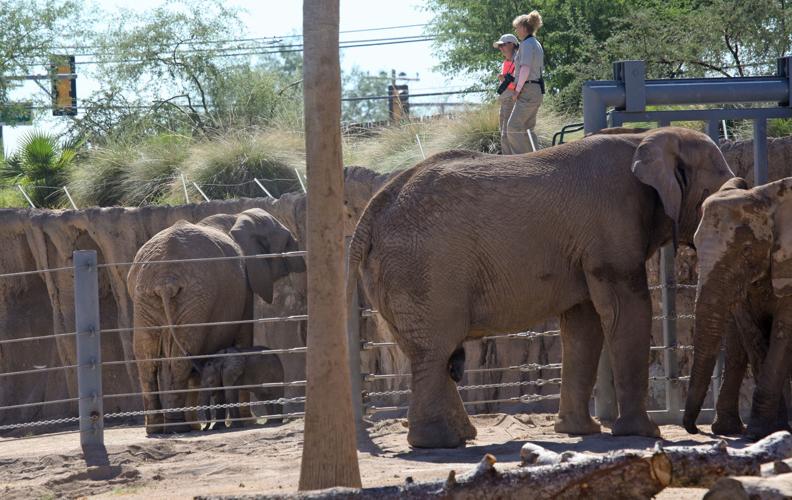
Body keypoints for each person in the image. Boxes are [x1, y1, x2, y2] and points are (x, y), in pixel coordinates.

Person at [505, 11, 545, 154]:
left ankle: (522, 163)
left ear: (523, 27)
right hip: (536, 89)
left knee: (513, 127)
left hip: (528, 89)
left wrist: (517, 90)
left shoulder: (526, 44)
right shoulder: (536, 43)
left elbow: (525, 68)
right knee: (528, 129)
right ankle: (536, 160)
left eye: (517, 27)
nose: (516, 31)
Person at [493, 34, 519, 154]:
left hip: (511, 99)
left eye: (503, 45)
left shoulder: (518, 59)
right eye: (500, 46)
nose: (501, 48)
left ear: (512, 44)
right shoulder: (506, 62)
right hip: (504, 99)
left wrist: (505, 79)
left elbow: (520, 82)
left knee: (506, 134)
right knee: (503, 134)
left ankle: (510, 163)